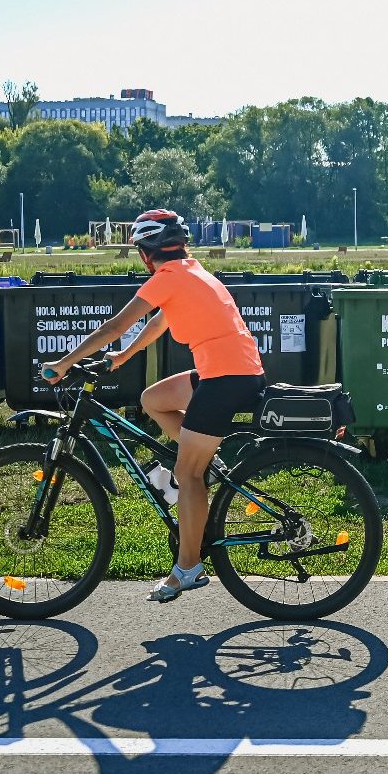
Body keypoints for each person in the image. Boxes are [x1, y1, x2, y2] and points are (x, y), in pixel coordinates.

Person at [44, 209, 264, 603]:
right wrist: (122, 357)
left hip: (225, 379)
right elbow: (160, 322)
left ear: (146, 253)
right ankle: (205, 461)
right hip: (231, 372)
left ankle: (188, 569)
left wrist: (63, 364)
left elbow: (113, 325)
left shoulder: (169, 277)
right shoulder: (190, 272)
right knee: (153, 400)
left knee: (187, 474)